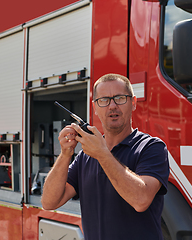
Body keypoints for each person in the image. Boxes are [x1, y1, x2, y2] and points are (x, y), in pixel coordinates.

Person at [41, 73, 169, 240]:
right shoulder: (85, 157)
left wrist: (102, 154)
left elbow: (141, 200)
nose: (112, 106)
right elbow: (49, 202)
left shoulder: (151, 148)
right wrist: (66, 154)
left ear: (133, 103)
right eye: (104, 100)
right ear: (95, 107)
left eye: (120, 98)